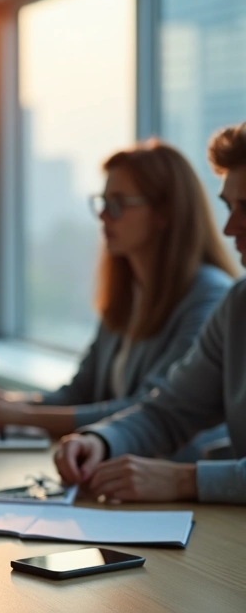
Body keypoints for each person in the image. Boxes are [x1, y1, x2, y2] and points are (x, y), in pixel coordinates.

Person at [0, 142, 236, 440]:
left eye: (118, 204)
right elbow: (79, 393)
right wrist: (10, 403)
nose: (104, 216)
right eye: (103, 202)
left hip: (169, 466)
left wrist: (20, 415)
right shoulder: (130, 292)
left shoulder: (209, 296)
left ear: (164, 213)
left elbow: (147, 409)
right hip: (113, 462)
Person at [54, 122, 246, 505]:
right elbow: (169, 411)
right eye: (229, 207)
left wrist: (185, 481)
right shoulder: (238, 305)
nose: (230, 227)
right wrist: (100, 441)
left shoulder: (209, 293)